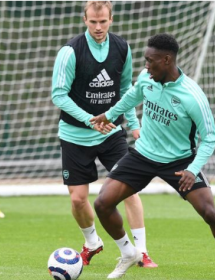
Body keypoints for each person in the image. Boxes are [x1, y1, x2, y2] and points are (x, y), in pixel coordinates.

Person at [90, 34, 215, 279]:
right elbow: (131, 97)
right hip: (143, 154)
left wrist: (193, 169)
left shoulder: (192, 96)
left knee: (210, 214)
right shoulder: (146, 78)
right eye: (145, 60)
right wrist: (108, 115)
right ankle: (129, 253)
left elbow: (210, 137)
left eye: (150, 61)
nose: (146, 66)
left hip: (180, 161)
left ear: (167, 59)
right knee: (102, 203)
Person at [51, 1, 157, 268]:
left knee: (130, 190)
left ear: (111, 19)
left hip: (112, 134)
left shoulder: (123, 48)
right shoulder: (70, 51)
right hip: (75, 135)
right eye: (93, 22)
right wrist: (90, 120)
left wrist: (134, 125)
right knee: (77, 199)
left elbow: (127, 91)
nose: (98, 27)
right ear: (84, 20)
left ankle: (141, 252)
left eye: (103, 21)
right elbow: (58, 95)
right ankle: (92, 242)